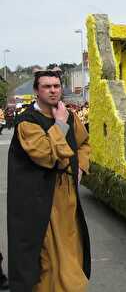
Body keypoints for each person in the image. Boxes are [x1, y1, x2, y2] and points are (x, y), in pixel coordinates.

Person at [7, 70, 91, 291]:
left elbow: (83, 143)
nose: (53, 90)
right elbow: (44, 154)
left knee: (70, 247)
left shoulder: (70, 116)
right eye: (46, 86)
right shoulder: (27, 122)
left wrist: (81, 166)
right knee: (48, 256)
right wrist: (60, 124)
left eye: (56, 86)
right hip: (41, 198)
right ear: (36, 90)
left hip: (68, 196)